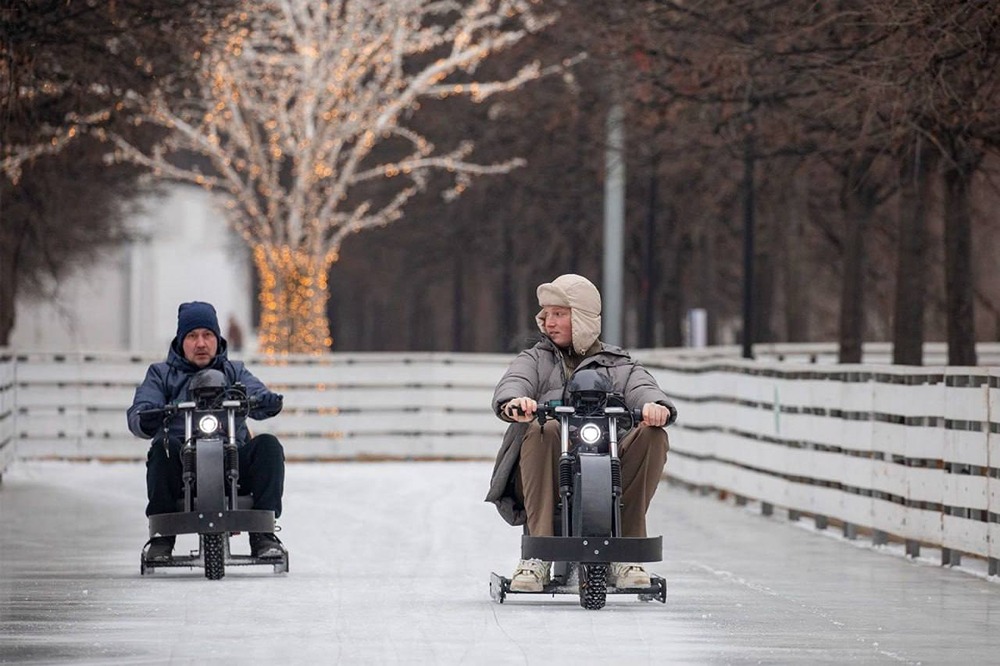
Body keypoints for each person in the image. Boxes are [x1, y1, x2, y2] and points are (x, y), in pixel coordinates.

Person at [485, 274, 676, 592]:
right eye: (546, 314)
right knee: (543, 428)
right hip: (544, 469)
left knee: (652, 435)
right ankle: (537, 556)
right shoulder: (536, 360)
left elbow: (643, 387)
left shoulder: (618, 365)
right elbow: (514, 382)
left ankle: (626, 553)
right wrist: (515, 402)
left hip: (608, 463)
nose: (549, 322)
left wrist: (655, 406)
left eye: (559, 313)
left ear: (584, 317)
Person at [126, 301, 286, 561]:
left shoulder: (235, 371)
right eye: (192, 336)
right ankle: (161, 539)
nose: (201, 343)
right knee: (162, 449)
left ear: (217, 338)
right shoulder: (161, 374)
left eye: (207, 335)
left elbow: (256, 392)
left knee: (268, 445)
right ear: (181, 341)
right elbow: (139, 410)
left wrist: (266, 401)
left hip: (232, 458)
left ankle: (263, 535)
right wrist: (147, 416)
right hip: (182, 462)